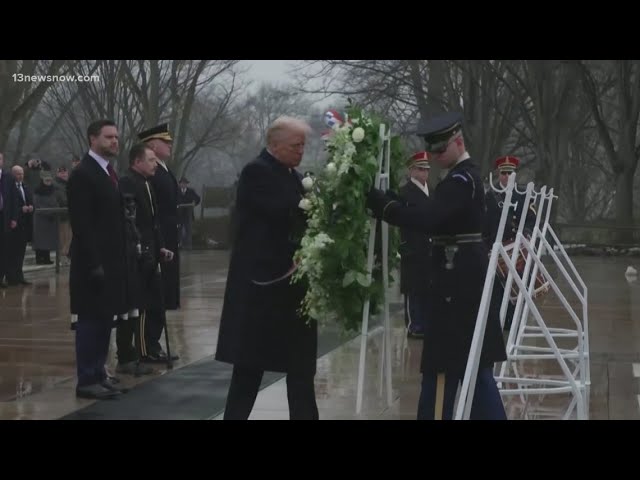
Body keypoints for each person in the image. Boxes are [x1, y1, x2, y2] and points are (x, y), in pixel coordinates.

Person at [366, 111, 507, 420]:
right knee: (475, 369)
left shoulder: (460, 179)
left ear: (458, 142)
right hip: (460, 278)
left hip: (456, 284)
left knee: (445, 368)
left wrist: (385, 207)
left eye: (442, 149)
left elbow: (429, 219)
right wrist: (396, 201)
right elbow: (432, 212)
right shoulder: (462, 178)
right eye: (433, 151)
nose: (437, 156)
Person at [215, 116, 318, 420]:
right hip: (262, 290)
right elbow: (282, 211)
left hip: (290, 290)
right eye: (295, 145)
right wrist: (314, 207)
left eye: (303, 145)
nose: (301, 151)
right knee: (248, 371)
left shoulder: (292, 174)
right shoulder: (256, 172)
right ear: (274, 145)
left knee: (301, 369)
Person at [67, 119, 129, 399]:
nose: (114, 141)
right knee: (90, 321)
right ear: (93, 139)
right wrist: (94, 264)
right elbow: (82, 224)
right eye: (108, 137)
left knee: (105, 319)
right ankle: (87, 378)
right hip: (92, 263)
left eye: (116, 137)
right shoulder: (83, 174)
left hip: (111, 260)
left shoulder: (107, 172)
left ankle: (99, 373)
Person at [115, 143, 174, 376]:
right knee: (139, 306)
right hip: (138, 255)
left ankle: (149, 347)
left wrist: (161, 247)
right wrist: (143, 249)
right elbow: (131, 221)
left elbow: (152, 221)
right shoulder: (129, 182)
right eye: (150, 160)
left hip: (151, 251)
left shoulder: (147, 183)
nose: (155, 165)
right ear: (137, 162)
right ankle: (138, 351)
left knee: (155, 302)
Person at [138, 123, 180, 363]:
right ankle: (149, 344)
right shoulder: (154, 174)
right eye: (166, 142)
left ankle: (154, 342)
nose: (170, 145)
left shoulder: (164, 169)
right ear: (153, 145)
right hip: (159, 239)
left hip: (168, 239)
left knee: (164, 294)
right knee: (156, 294)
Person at [484, 155, 537, 331]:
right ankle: (497, 322)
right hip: (495, 251)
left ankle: (513, 322)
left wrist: (526, 236)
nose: (507, 176)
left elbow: (532, 221)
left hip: (516, 251)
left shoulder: (523, 196)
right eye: (504, 173)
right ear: (499, 174)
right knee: (496, 291)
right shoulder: (490, 197)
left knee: (516, 288)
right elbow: (483, 224)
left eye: (510, 173)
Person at [398, 151, 433, 338]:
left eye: (426, 169)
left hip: (430, 248)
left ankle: (426, 323)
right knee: (414, 289)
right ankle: (415, 325)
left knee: (428, 288)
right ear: (411, 170)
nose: (424, 173)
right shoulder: (404, 193)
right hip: (413, 247)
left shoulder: (432, 191)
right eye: (420, 169)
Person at [7, 165, 33, 286]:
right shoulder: (9, 187)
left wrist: (31, 207)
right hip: (14, 224)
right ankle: (11, 277)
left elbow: (31, 200)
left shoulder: (25, 187)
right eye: (18, 174)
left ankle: (19, 276)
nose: (21, 176)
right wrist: (20, 209)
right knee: (13, 252)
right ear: (13, 174)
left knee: (21, 253)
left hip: (24, 225)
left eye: (22, 173)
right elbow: (9, 205)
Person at [0, 152, 19, 288]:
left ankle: (1, 277)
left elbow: (14, 200)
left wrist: (14, 218)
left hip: (5, 218)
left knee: (4, 249)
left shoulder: (8, 178)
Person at [177, 176, 201, 249]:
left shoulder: (191, 191)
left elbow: (198, 198)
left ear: (187, 184)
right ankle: (179, 245)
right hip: (179, 214)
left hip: (188, 214)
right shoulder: (176, 191)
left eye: (185, 183)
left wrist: (194, 203)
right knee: (179, 230)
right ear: (180, 184)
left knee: (188, 230)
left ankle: (188, 246)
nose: (183, 184)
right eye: (182, 183)